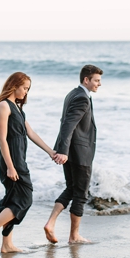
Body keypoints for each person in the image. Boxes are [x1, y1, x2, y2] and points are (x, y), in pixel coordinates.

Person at [0, 72, 60, 253]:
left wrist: (51, 152)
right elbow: (2, 140)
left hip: (18, 158)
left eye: (28, 89)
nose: (26, 92)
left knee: (13, 200)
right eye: (24, 88)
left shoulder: (18, 109)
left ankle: (7, 244)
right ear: (14, 85)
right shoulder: (4, 106)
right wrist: (10, 166)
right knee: (24, 198)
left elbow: (31, 134)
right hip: (12, 160)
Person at [44, 64, 103, 244]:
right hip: (79, 153)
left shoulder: (73, 93)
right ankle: (74, 236)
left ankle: (51, 223)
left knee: (70, 188)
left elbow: (66, 123)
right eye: (97, 80)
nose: (99, 84)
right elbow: (68, 125)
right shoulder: (82, 98)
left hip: (70, 151)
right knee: (81, 194)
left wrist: (64, 150)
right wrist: (63, 151)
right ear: (86, 80)